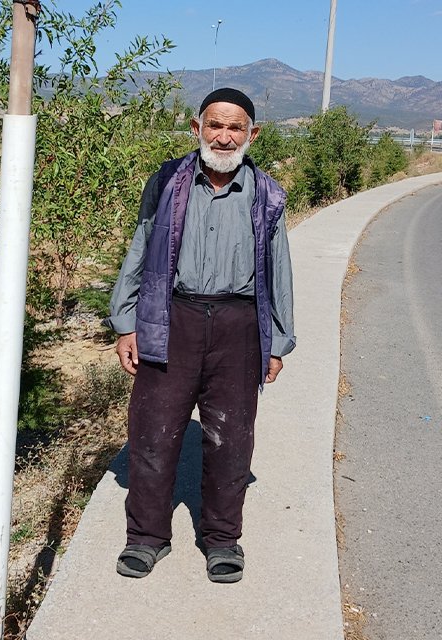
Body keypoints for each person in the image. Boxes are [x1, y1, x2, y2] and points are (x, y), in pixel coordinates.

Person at [104, 87, 295, 584]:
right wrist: (125, 322)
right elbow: (142, 247)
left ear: (253, 134)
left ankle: (222, 539)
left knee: (232, 439)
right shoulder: (168, 181)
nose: (225, 136)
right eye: (216, 125)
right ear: (197, 128)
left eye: (236, 128)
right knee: (152, 434)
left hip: (238, 326)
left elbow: (279, 271)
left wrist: (276, 341)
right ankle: (146, 538)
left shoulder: (267, 193)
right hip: (173, 318)